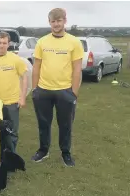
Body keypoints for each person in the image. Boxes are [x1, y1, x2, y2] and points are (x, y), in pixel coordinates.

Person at [31, 8, 83, 167]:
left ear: (64, 21)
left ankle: (65, 153)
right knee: (43, 123)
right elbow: (36, 67)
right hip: (43, 90)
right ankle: (43, 150)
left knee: (65, 125)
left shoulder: (74, 42)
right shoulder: (42, 42)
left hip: (65, 91)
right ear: (49, 22)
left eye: (59, 21)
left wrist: (73, 92)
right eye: (53, 21)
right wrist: (35, 90)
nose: (56, 24)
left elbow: (77, 69)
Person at [0, 31, 28, 153]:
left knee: (12, 132)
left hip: (12, 102)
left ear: (8, 44)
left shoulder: (15, 59)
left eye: (4, 43)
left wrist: (22, 97)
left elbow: (24, 77)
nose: (2, 45)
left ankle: (11, 157)